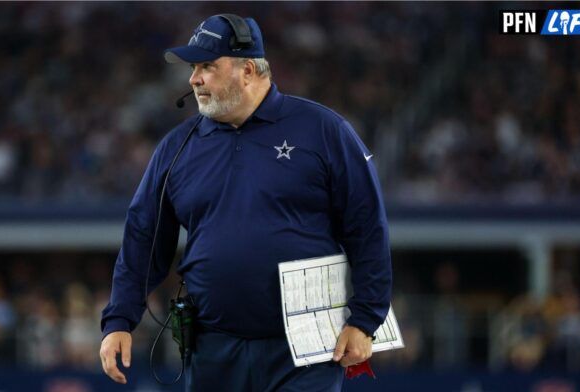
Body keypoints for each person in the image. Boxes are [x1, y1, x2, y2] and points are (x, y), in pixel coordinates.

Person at [99, 14, 392, 391]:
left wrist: (365, 319)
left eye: (207, 66)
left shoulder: (323, 131)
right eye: (193, 67)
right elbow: (144, 237)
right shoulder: (177, 147)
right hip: (213, 347)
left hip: (308, 348)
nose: (194, 79)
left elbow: (367, 228)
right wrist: (120, 319)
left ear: (248, 70)